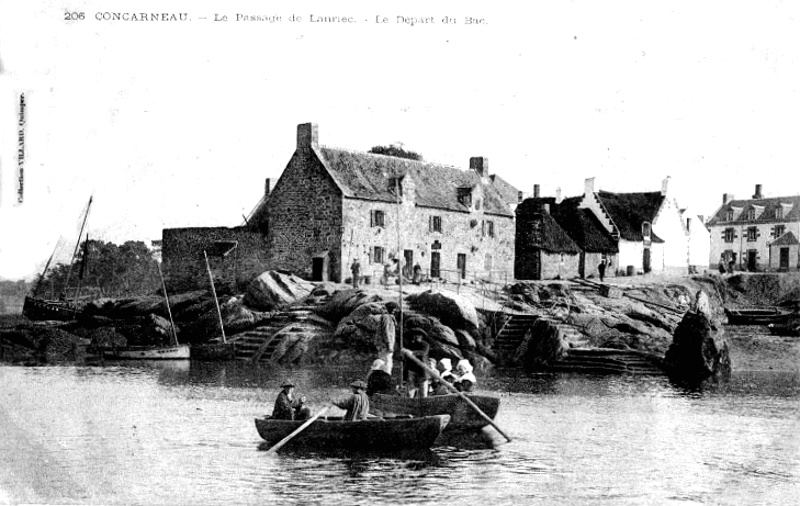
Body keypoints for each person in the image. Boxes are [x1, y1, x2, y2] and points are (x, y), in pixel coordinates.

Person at [403, 330, 430, 397]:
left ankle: (423, 405)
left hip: (422, 371)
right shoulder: (410, 345)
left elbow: (423, 352)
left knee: (423, 393)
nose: (416, 336)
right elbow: (407, 359)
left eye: (418, 335)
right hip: (412, 370)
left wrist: (412, 353)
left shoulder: (425, 344)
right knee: (410, 392)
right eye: (415, 335)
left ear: (421, 336)